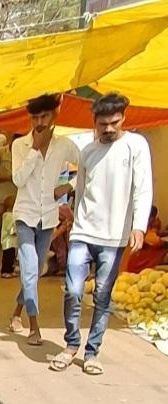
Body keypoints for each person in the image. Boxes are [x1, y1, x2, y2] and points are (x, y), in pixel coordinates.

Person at [51, 92, 152, 375]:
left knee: (102, 296)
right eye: (103, 124)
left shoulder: (137, 146)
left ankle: (92, 352)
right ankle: (71, 344)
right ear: (94, 123)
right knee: (72, 290)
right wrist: (72, 222)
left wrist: (139, 226)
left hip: (114, 237)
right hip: (83, 231)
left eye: (114, 122)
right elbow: (81, 190)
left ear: (124, 119)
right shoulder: (88, 153)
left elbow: (142, 189)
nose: (109, 129)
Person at [9, 95, 80, 345]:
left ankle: (16, 313)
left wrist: (68, 187)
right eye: (35, 117)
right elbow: (17, 180)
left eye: (44, 117)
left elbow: (87, 167)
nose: (39, 122)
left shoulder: (65, 145)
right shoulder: (20, 145)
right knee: (29, 268)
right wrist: (35, 150)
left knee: (35, 271)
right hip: (25, 215)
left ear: (54, 116)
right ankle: (34, 326)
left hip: (48, 216)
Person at [124, 204, 168, 272]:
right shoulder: (141, 228)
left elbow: (155, 234)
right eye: (153, 217)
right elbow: (156, 241)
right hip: (140, 266)